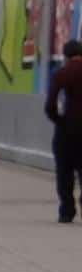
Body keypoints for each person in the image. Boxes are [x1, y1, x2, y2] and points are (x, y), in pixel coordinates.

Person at [44, 39, 82, 223]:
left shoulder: (62, 73)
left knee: (64, 172)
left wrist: (59, 121)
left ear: (66, 56)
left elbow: (50, 104)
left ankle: (67, 210)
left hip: (67, 131)